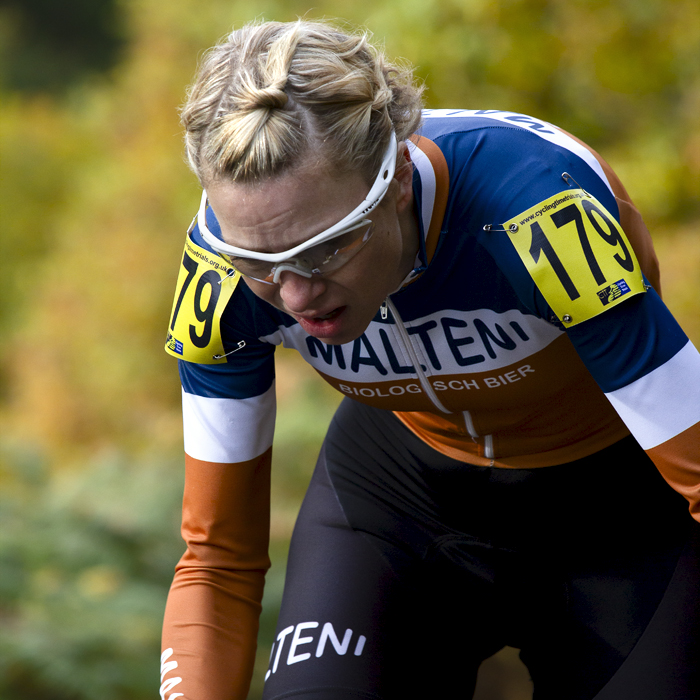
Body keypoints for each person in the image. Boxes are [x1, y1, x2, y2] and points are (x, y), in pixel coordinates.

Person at [160, 19, 700, 700]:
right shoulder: (219, 275)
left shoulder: (535, 211)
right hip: (400, 494)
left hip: (615, 508)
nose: (295, 293)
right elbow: (217, 560)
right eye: (261, 263)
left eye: (326, 247)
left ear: (397, 187)